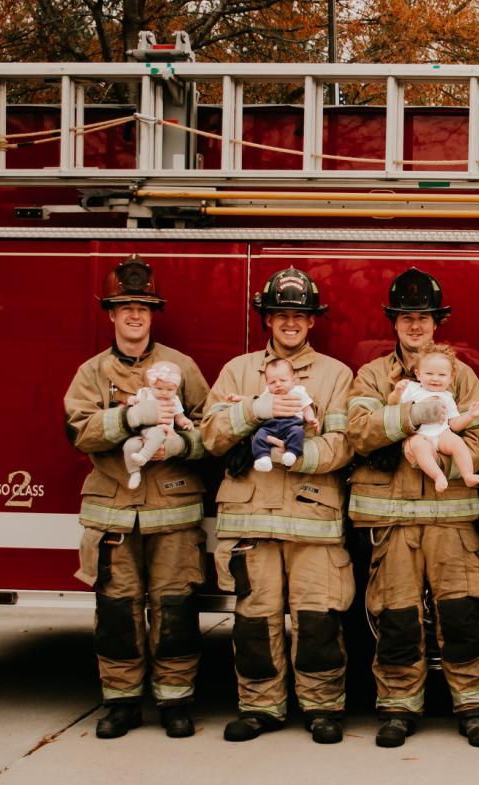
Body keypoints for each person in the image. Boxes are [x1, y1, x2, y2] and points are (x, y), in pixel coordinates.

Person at [200, 267, 356, 744]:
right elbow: (209, 434)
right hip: (251, 518)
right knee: (254, 619)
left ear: (312, 322)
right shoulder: (237, 370)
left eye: (300, 315)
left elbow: (344, 443)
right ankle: (260, 707)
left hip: (313, 519)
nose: (291, 322)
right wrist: (255, 410)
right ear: (267, 318)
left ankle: (322, 707)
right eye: (281, 314)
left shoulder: (335, 375)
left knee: (318, 618)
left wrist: (288, 453)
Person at [346, 267, 479, 748]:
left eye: (424, 317)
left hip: (450, 519)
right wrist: (410, 419)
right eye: (406, 317)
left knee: (462, 614)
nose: (415, 325)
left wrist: (443, 448)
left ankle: (473, 706)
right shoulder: (372, 374)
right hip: (392, 520)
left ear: (438, 323)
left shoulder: (463, 375)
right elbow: (358, 432)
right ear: (393, 322)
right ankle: (397, 707)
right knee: (395, 616)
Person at [63, 254, 208, 740]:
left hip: (173, 511)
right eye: (125, 306)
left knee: (176, 610)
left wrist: (177, 443)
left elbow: (210, 432)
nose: (134, 315)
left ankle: (175, 701)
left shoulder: (182, 367)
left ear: (153, 313)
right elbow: (79, 431)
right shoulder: (91, 373)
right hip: (113, 514)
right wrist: (128, 420)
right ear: (110, 313)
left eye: (143, 307)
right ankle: (121, 702)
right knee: (118, 612)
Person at [387, 343, 479, 492]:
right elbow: (393, 405)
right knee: (419, 448)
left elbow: (454, 424)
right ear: (418, 374)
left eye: (442, 375)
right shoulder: (412, 389)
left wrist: (470, 415)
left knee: (458, 443)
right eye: (429, 374)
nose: (435, 379)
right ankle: (437, 476)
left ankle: (468, 475)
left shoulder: (447, 397)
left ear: (451, 378)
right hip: (418, 435)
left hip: (442, 435)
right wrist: (397, 393)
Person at [122, 361, 195, 490]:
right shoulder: (144, 393)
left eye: (169, 390)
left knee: (157, 433)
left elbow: (179, 417)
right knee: (129, 446)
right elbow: (133, 405)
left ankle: (143, 457)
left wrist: (185, 422)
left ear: (176, 389)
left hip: (163, 431)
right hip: (141, 432)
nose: (164, 393)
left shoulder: (174, 400)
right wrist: (131, 401)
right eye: (159, 388)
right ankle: (134, 472)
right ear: (151, 384)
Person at [250, 357, 320, 473]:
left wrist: (311, 419)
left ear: (293, 380)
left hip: (291, 424)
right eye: (272, 382)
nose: (277, 384)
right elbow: (255, 402)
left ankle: (291, 453)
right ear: (267, 384)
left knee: (298, 432)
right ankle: (263, 458)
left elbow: (307, 408)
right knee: (260, 435)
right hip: (270, 425)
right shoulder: (267, 393)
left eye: (283, 380)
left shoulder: (299, 392)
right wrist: (239, 399)